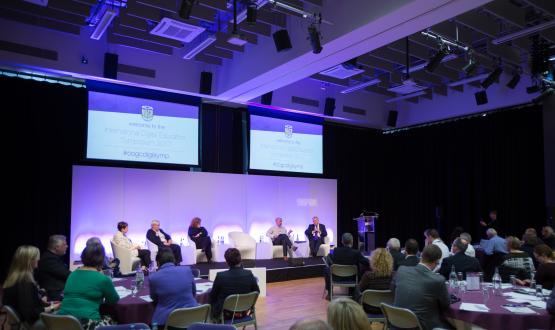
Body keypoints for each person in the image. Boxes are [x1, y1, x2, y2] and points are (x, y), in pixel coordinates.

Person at [58, 242, 119, 329]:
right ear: (102, 259)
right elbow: (113, 301)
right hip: (86, 324)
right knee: (117, 318)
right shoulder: (102, 279)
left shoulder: (72, 274)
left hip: (61, 322)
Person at [392, 244, 452, 330]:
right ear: (437, 261)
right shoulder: (438, 280)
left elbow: (393, 290)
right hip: (422, 326)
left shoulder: (401, 270)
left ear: (421, 256)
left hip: (396, 323)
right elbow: (446, 305)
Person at [2, 246, 60, 329]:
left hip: (23, 321)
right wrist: (52, 307)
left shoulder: (12, 279)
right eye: (37, 257)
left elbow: (25, 304)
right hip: (31, 324)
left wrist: (45, 303)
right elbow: (30, 314)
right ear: (30, 261)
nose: (38, 259)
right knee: (66, 319)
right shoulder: (25, 283)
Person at [149, 247, 198, 327]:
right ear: (173, 259)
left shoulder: (154, 277)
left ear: (158, 262)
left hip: (166, 321)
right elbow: (193, 292)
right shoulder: (187, 270)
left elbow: (154, 298)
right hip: (193, 316)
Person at [209, 248, 260, 320]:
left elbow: (212, 296)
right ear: (240, 259)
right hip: (244, 312)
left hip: (225, 315)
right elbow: (257, 292)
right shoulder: (249, 273)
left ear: (226, 261)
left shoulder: (221, 276)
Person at [324, 233, 369, 298]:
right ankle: (356, 292)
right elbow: (366, 262)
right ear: (352, 241)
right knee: (363, 267)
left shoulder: (336, 251)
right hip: (352, 279)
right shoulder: (356, 253)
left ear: (342, 241)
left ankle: (329, 293)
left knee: (326, 269)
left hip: (337, 278)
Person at [359, 248, 394, 313]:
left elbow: (360, 290)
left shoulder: (368, 276)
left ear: (373, 261)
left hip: (370, 308)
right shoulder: (394, 276)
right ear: (390, 261)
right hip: (388, 308)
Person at [36, 234, 70, 301]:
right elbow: (67, 274)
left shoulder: (53, 258)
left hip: (59, 292)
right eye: (64, 244)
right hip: (54, 295)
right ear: (57, 247)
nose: (67, 246)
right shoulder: (48, 259)